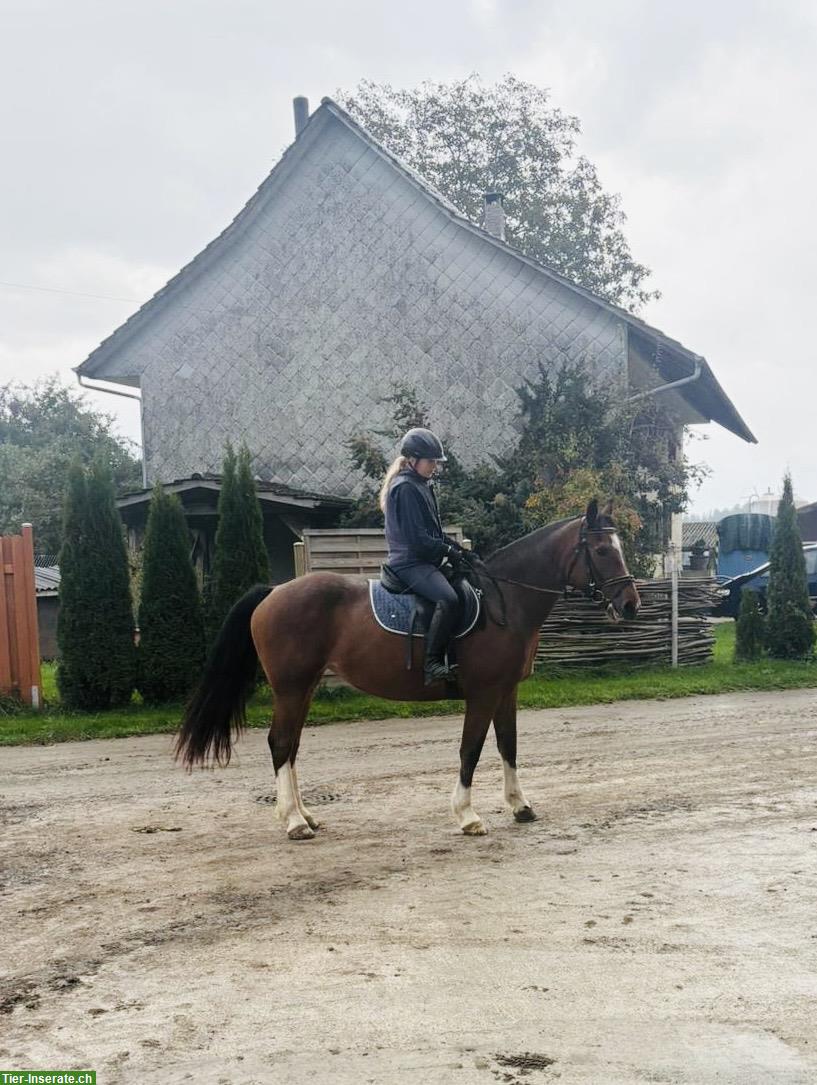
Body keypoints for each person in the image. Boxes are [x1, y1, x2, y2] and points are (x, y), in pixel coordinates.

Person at [381, 427, 472, 684]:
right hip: (410, 562)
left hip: (423, 560)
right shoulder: (406, 488)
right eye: (431, 461)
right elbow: (418, 541)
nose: (435, 466)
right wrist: (447, 551)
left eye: (436, 461)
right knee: (449, 599)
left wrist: (461, 552)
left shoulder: (421, 484)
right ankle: (432, 665)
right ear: (413, 459)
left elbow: (434, 532)